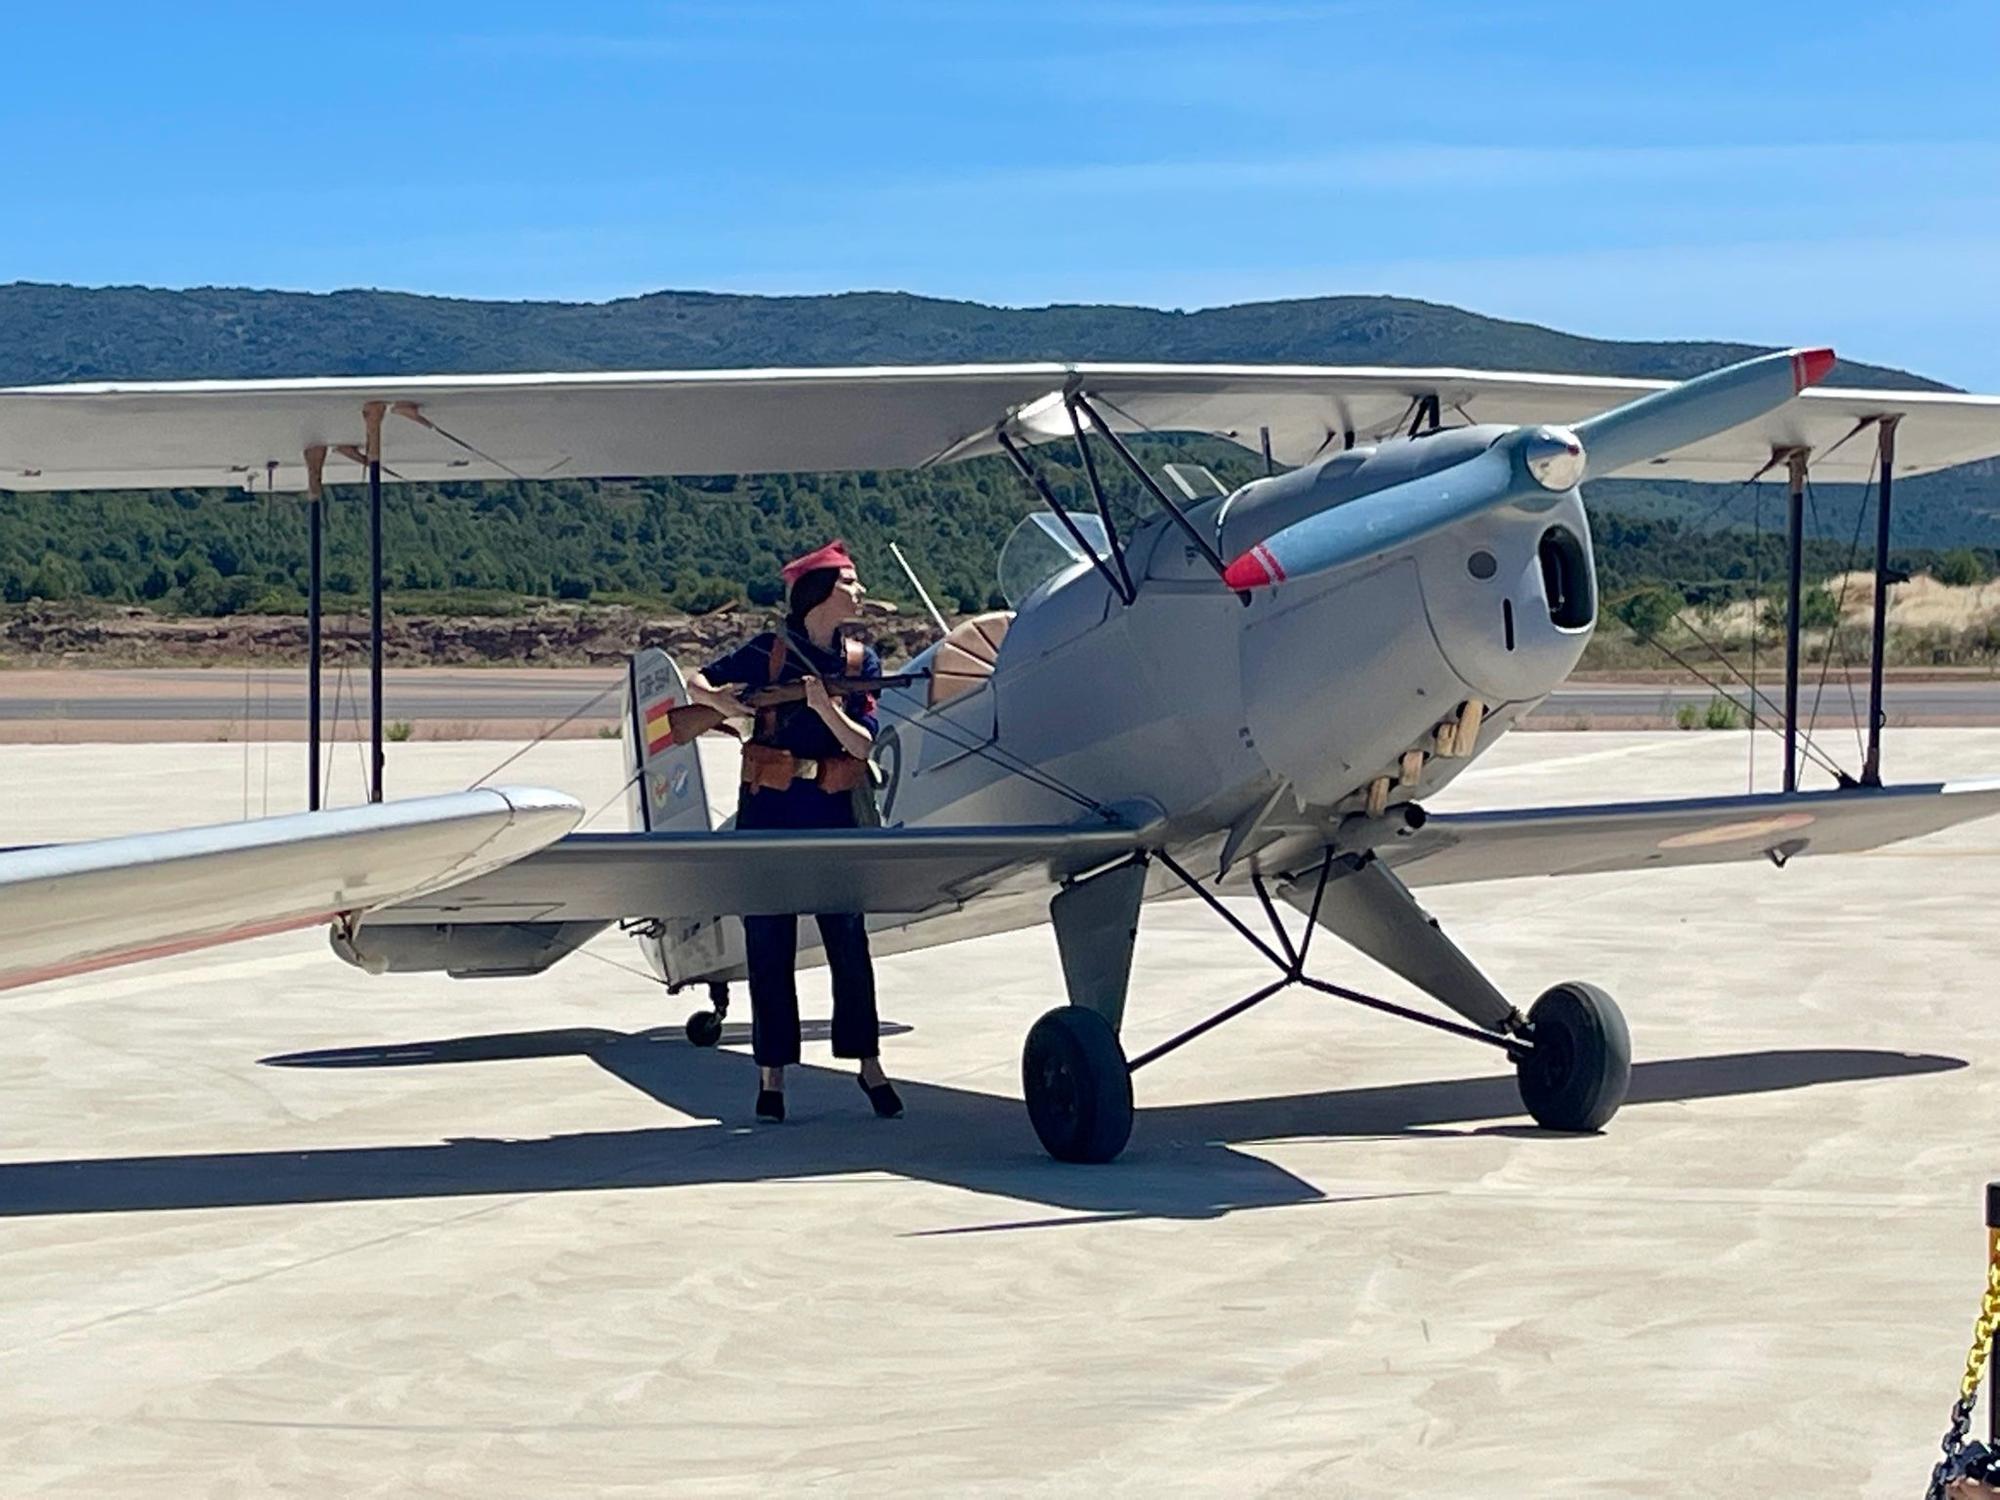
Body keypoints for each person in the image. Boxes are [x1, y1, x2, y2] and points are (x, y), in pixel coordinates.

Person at [685, 540, 903, 1125]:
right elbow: (696, 682)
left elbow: (860, 744)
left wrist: (824, 706)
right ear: (820, 592)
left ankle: (868, 1064)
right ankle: (772, 1077)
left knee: (848, 943)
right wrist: (723, 704)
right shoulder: (769, 652)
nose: (860, 592)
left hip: (833, 809)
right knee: (769, 944)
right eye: (849, 582)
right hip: (772, 811)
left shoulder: (861, 662)